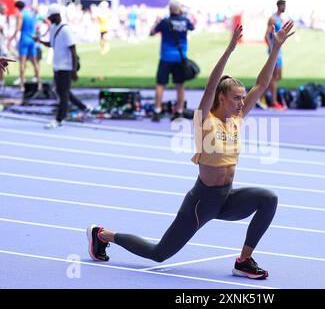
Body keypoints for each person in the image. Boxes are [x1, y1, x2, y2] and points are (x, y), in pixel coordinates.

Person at [87, 21, 295, 279]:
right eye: (237, 98)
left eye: (243, 98)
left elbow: (262, 85)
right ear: (222, 98)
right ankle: (102, 235)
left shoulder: (237, 119)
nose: (242, 102)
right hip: (202, 202)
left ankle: (244, 260)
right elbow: (210, 87)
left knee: (268, 198)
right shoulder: (204, 120)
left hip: (226, 198)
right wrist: (230, 49)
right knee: (159, 253)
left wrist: (275, 47)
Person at [33, 4, 89, 129]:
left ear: (56, 15)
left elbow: (73, 50)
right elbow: (52, 44)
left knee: (62, 93)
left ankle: (59, 119)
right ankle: (83, 107)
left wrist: (74, 70)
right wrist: (39, 41)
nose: (49, 19)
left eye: (50, 17)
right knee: (62, 91)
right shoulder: (54, 28)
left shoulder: (65, 30)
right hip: (57, 65)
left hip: (66, 67)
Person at [149, 1, 194, 122]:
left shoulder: (164, 21)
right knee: (180, 86)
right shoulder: (185, 21)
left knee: (160, 84)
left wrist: (156, 22)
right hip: (180, 58)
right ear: (179, 10)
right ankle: (179, 112)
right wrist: (183, 14)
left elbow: (151, 33)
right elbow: (192, 27)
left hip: (165, 58)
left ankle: (157, 111)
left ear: (169, 10)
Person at [8, 0, 40, 91]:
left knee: (22, 63)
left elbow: (18, 28)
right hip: (32, 40)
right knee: (34, 62)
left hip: (24, 39)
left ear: (17, 8)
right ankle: (39, 83)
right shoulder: (31, 13)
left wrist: (11, 38)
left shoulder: (20, 14)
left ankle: (22, 84)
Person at [261, 0, 287, 110]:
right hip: (274, 51)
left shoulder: (280, 19)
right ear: (279, 6)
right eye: (283, 5)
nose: (284, 7)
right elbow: (266, 35)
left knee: (278, 76)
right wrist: (272, 48)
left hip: (279, 51)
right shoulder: (273, 19)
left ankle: (260, 96)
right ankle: (273, 102)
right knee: (273, 77)